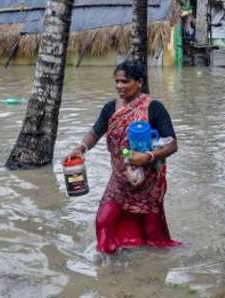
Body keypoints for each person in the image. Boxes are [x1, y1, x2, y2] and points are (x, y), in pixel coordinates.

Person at [66, 60, 181, 254]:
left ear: (140, 82)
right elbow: (94, 133)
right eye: (117, 81)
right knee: (103, 220)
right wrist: (81, 147)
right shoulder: (111, 108)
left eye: (125, 81)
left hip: (149, 181)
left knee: (153, 235)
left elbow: (172, 144)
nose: (119, 86)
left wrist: (148, 156)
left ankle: (150, 272)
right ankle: (107, 265)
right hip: (120, 179)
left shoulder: (154, 108)